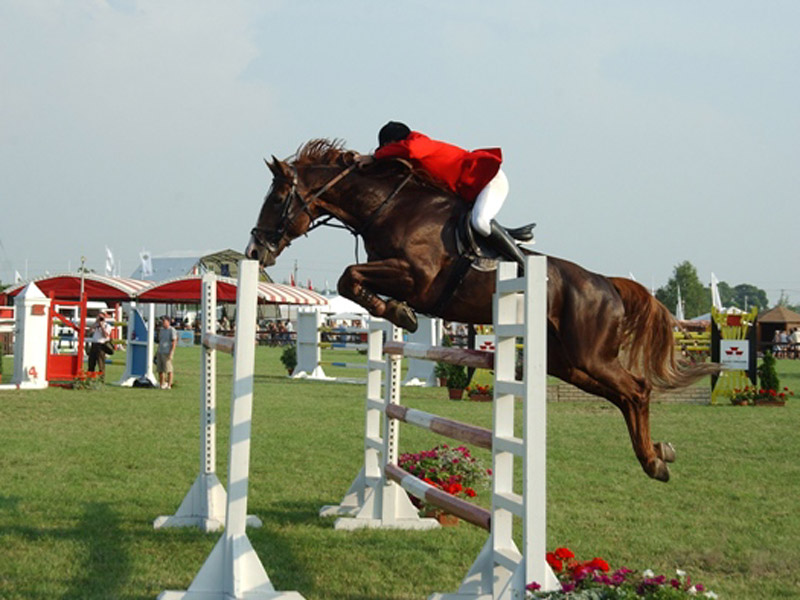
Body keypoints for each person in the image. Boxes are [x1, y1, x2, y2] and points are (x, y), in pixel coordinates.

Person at [371, 121, 527, 267]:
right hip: (471, 190)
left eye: (387, 148)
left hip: (489, 180)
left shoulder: (420, 143)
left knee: (480, 222)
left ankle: (524, 264)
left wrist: (374, 156)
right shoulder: (414, 156)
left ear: (395, 143)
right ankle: (509, 236)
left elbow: (409, 150)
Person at [156, 315, 178, 389]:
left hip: (167, 351)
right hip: (160, 351)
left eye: (164, 321)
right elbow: (160, 341)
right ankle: (162, 384)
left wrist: (171, 352)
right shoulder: (161, 330)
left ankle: (169, 384)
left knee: (168, 369)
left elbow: (174, 341)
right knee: (160, 369)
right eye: (162, 321)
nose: (163, 323)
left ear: (168, 322)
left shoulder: (172, 330)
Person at [88, 313, 112, 378]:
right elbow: (88, 332)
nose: (100, 319)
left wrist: (102, 327)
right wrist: (95, 324)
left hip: (101, 346)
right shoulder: (95, 325)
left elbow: (105, 335)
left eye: (101, 318)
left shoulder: (107, 326)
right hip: (94, 345)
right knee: (91, 363)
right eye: (99, 317)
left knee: (101, 364)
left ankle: (101, 379)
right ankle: (90, 378)